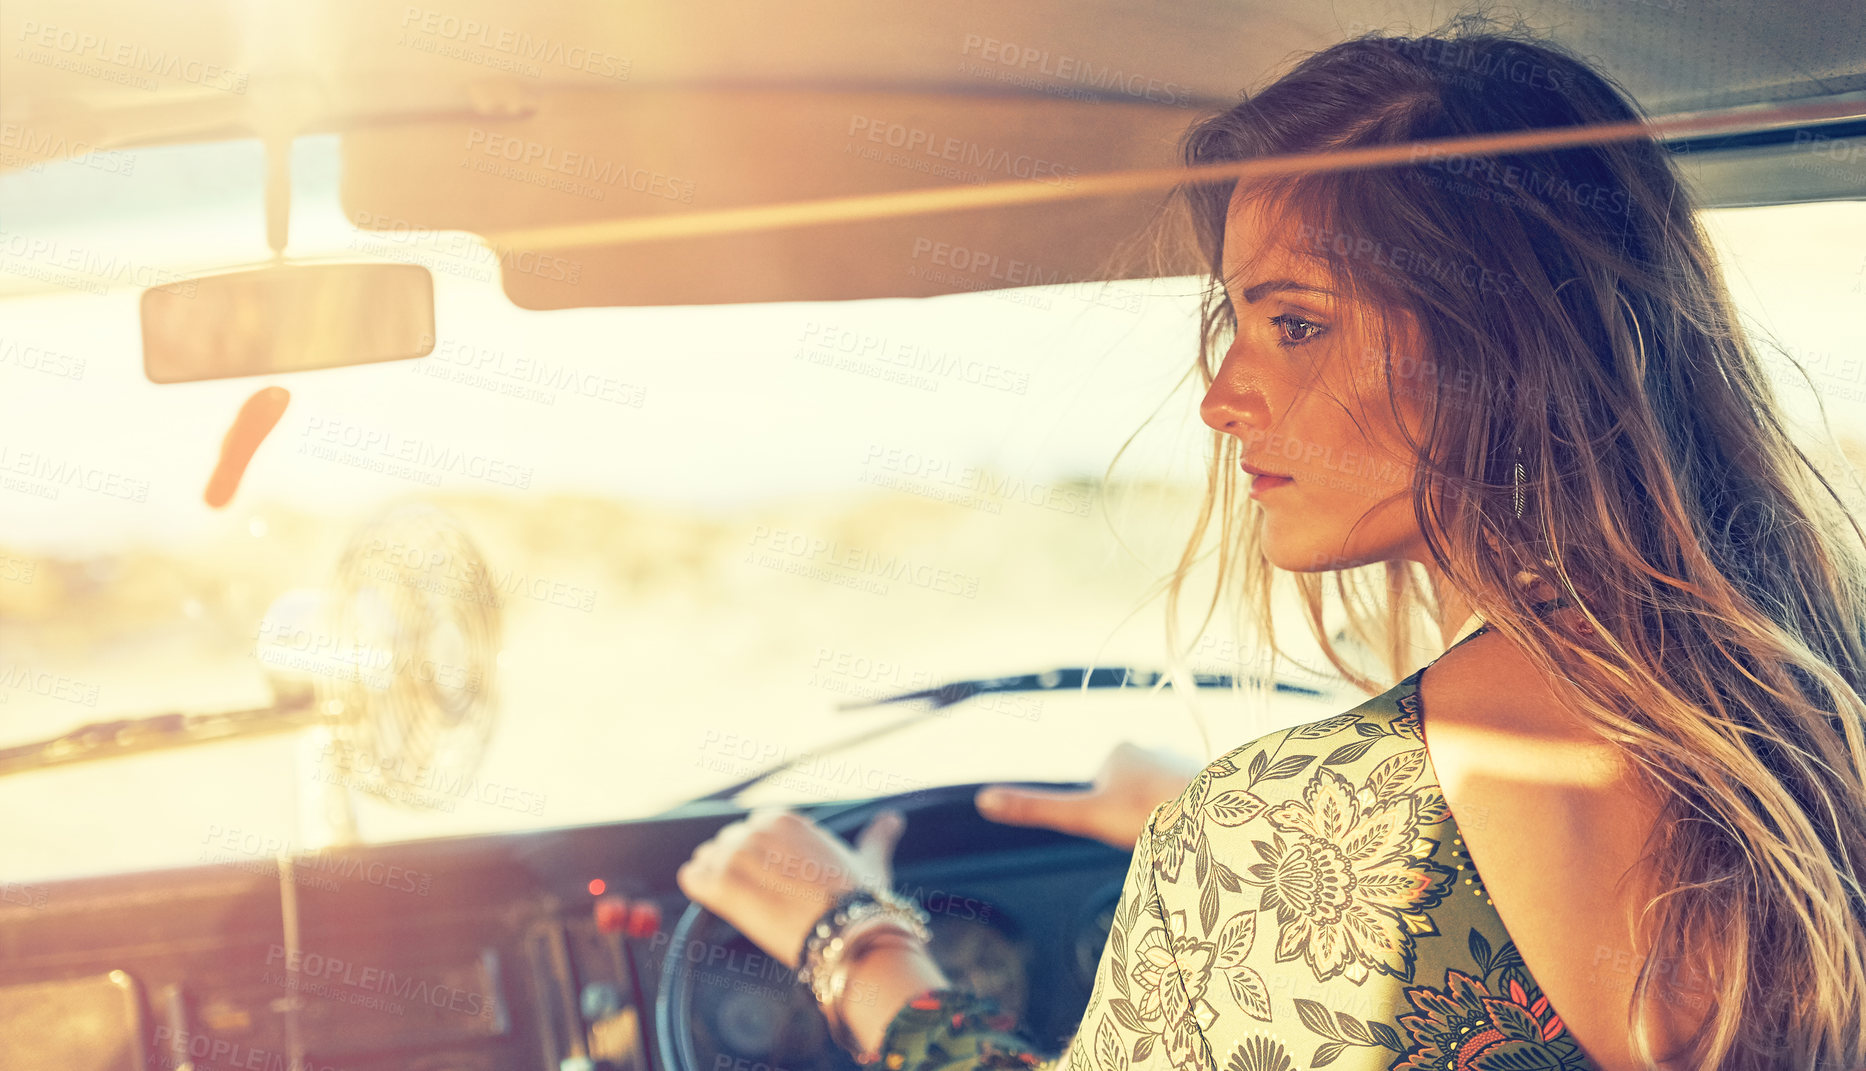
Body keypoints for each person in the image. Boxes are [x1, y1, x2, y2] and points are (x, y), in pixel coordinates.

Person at [677, 23, 1866, 1071]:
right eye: (1238, 321)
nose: (1223, 397)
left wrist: (854, 942)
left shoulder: (1272, 835)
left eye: (1295, 323)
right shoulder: (1820, 715)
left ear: (1505, 341)